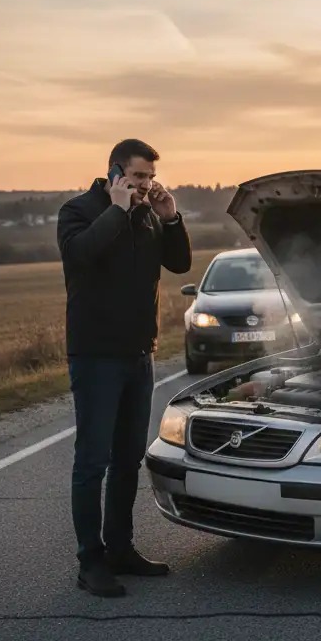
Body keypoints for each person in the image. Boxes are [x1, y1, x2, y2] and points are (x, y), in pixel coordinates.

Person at [57, 138, 192, 597]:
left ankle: (120, 549)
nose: (146, 185)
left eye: (151, 178)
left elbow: (179, 263)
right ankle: (89, 561)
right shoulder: (78, 211)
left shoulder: (149, 215)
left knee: (128, 459)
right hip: (96, 356)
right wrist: (115, 210)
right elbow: (81, 256)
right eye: (138, 177)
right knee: (92, 461)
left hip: (140, 353)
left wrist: (170, 217)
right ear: (116, 174)